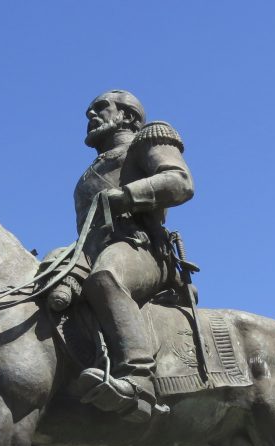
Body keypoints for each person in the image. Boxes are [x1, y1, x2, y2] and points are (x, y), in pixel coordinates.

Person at [71, 90, 194, 422]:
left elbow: (180, 181)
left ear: (126, 116)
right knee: (39, 285)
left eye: (100, 109)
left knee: (106, 277)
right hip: (88, 252)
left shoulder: (149, 139)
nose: (91, 116)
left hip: (142, 249)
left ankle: (139, 380)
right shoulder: (90, 171)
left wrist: (126, 195)